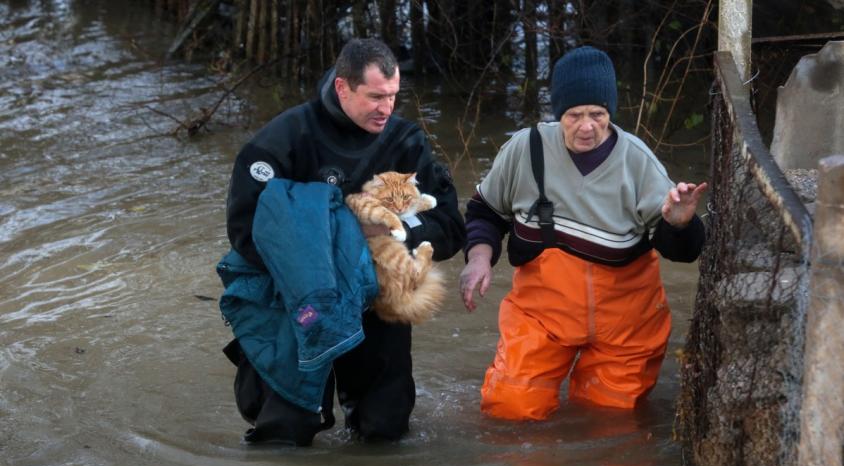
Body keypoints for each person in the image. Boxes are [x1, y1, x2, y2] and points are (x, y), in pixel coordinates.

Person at [220, 38, 466, 444]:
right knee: (282, 435)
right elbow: (245, 234)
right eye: (374, 96)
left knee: (385, 431)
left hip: (375, 297)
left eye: (392, 96)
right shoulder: (280, 141)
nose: (385, 108)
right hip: (295, 301)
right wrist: (342, 240)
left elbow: (449, 226)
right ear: (342, 87)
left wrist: (394, 234)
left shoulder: (405, 143)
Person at [458, 46, 708, 420]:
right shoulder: (525, 150)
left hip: (626, 323)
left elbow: (684, 253)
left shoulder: (638, 163)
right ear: (559, 113)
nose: (587, 126)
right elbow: (485, 211)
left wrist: (681, 222)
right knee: (509, 412)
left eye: (598, 115)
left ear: (611, 113)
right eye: (575, 115)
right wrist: (479, 257)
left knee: (610, 426)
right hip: (542, 315)